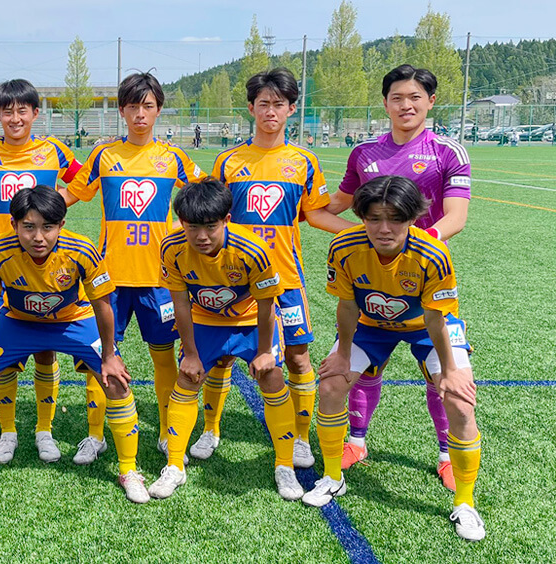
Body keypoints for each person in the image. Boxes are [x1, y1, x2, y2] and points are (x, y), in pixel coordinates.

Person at [303, 175, 484, 542]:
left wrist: (450, 370)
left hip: (427, 327)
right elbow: (347, 305)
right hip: (371, 325)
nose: (384, 229)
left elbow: (435, 317)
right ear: (361, 217)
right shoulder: (344, 246)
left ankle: (465, 503)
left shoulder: (433, 253)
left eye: (395, 219)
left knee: (461, 403)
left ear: (413, 218)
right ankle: (333, 477)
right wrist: (342, 354)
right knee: (331, 385)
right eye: (374, 219)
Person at [0, 187, 145, 502]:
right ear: (13, 224)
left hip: (72, 319)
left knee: (116, 382)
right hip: (18, 320)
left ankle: (129, 470)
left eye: (47, 227)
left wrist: (109, 356)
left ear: (61, 225)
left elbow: (103, 305)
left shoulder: (82, 250)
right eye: (28, 227)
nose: (38, 237)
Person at [326, 65, 472, 490]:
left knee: (443, 378)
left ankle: (447, 454)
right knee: (361, 368)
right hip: (372, 282)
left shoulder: (448, 152)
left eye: (415, 97)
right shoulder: (363, 153)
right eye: (397, 98)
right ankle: (356, 441)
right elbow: (337, 204)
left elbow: (456, 217)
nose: (406, 105)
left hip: (425, 278)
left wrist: (413, 246)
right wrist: (299, 205)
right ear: (385, 103)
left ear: (430, 101)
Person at [208, 68, 354, 466]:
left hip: (286, 278)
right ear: (250, 108)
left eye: (279, 104)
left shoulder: (304, 161)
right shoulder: (228, 161)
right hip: (236, 280)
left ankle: (301, 437)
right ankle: (210, 428)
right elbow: (210, 214)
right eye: (263, 103)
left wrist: (362, 233)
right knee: (221, 357)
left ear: (291, 109)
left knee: (298, 357)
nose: (270, 111)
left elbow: (316, 213)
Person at [62, 72, 204, 468]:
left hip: (160, 279)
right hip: (108, 278)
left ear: (158, 110)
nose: (140, 113)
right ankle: (95, 436)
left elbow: (205, 195)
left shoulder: (173, 158)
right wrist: (27, 211)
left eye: (148, 106)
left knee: (164, 358)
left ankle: (166, 432)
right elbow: (71, 193)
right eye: (133, 106)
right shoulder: (104, 156)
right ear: (122, 111)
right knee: (99, 358)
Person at [0, 78, 83, 464]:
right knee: (3, 354)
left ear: (35, 113)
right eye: (7, 111)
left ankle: (44, 430)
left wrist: (55, 206)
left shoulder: (53, 150)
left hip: (45, 261)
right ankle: (8, 432)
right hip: (2, 263)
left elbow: (83, 179)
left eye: (22, 110)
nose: (15, 118)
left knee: (44, 352)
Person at [147, 178, 301, 501]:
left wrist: (264, 351)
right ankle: (174, 465)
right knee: (187, 378)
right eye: (192, 227)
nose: (201, 236)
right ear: (181, 222)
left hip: (250, 319)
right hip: (206, 318)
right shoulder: (171, 248)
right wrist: (191, 354)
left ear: (227, 220)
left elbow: (266, 304)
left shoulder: (253, 250)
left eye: (210, 226)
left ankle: (285, 465)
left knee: (272, 377)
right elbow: (180, 303)